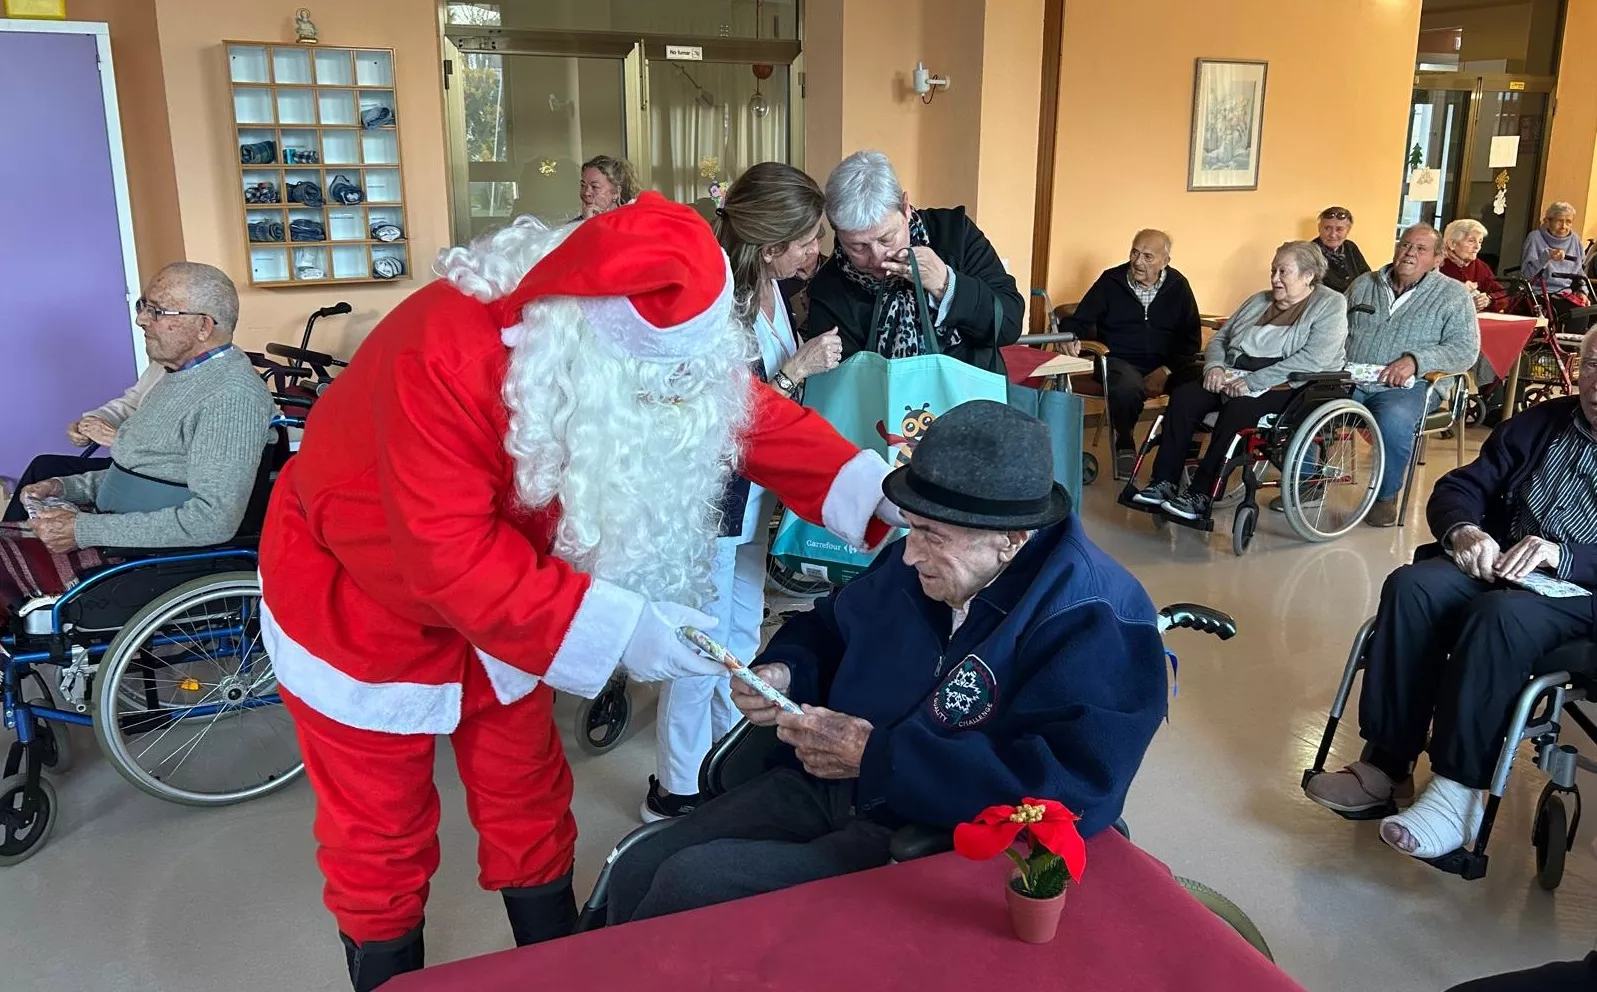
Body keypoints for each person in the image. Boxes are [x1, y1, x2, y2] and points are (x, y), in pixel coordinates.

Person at [257, 194, 904, 991]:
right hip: (356, 595)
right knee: (378, 829)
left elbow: (735, 407)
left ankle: (558, 965)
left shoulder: (627, 338)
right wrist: (623, 627)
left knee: (526, 790)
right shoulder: (443, 354)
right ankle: (389, 977)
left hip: (514, 599)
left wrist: (875, 491)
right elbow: (447, 555)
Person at [604, 400, 1168, 924]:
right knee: (638, 866)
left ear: (1011, 540)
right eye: (912, 526)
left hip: (932, 829)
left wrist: (878, 757)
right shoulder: (917, 563)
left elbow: (1074, 791)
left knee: (690, 884)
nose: (910, 551)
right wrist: (786, 670)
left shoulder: (1094, 616)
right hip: (829, 781)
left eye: (931, 535)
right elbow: (827, 628)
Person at [1303, 328, 1597, 861]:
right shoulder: (1544, 422)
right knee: (1412, 587)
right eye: (1594, 365)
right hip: (1505, 562)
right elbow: (1462, 485)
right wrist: (1463, 529)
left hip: (1581, 591)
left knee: (1499, 617)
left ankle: (1457, 791)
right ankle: (1387, 763)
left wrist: (1564, 555)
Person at [645, 162, 844, 821]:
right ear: (768, 246)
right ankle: (675, 789)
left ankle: (725, 764)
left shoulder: (769, 290)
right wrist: (795, 371)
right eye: (807, 240)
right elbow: (724, 418)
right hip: (711, 502)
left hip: (752, 501)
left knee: (740, 636)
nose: (816, 251)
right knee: (699, 645)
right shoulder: (716, 303)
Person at [0, 262, 271, 609]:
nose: (142, 319)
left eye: (157, 311)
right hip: (116, 530)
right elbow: (151, 471)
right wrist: (67, 488)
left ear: (203, 326)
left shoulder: (231, 396)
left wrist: (84, 531)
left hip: (141, 558)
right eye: (143, 306)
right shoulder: (178, 375)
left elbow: (212, 521)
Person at [1130, 241, 1348, 521]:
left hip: (1296, 383)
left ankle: (1202, 493)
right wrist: (1215, 367)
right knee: (1186, 396)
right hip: (1237, 373)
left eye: (1284, 272)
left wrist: (1256, 381)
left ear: (1308, 276)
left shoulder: (1330, 304)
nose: (1275, 278)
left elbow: (1313, 359)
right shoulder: (1260, 300)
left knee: (1239, 408)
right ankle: (1164, 482)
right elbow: (1221, 338)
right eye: (1273, 270)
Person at [805, 150, 1023, 375]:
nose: (878, 258)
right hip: (881, 409)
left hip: (971, 401)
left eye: (887, 238)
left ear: (905, 207)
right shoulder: (828, 289)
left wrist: (946, 284)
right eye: (858, 247)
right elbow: (841, 386)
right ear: (838, 234)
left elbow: (1008, 325)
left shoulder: (954, 234)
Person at [1344, 224, 1480, 527]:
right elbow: (1336, 328)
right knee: (1303, 399)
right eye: (1405, 245)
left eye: (1420, 249)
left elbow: (1465, 348)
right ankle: (1305, 479)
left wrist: (1416, 361)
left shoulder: (1453, 295)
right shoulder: (1364, 284)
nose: (1409, 253)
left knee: (1393, 419)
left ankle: (1384, 497)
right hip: (1351, 378)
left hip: (1411, 386)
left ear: (1437, 259)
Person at [1060, 230, 1204, 477]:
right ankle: (1124, 441)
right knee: (1127, 385)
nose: (1138, 262)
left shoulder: (1178, 286)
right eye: (1135, 252)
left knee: (1203, 379)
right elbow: (1079, 320)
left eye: (1148, 257)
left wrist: (1166, 370)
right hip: (1119, 360)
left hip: (1166, 364)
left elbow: (1190, 340)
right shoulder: (1111, 281)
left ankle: (1183, 446)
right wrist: (1070, 336)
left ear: (1165, 261)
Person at [2, 363, 165, 523]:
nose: (148, 336)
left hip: (157, 469)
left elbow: (173, 456)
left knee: (47, 471)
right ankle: (9, 538)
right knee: (44, 466)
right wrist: (91, 423)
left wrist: (118, 440)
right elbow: (131, 403)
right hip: (130, 459)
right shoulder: (163, 365)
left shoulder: (187, 386)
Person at [1521, 201, 1591, 333]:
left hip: (1566, 292)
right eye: (1559, 221)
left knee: (1586, 310)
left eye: (1568, 222)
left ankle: (1572, 350)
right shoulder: (1535, 238)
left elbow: (1579, 271)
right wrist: (1546, 257)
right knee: (1566, 311)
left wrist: (1582, 290)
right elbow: (1526, 275)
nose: (1564, 226)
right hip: (1539, 292)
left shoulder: (1575, 239)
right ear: (1548, 221)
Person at [1439, 219, 1507, 314]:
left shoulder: (1480, 266)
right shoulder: (1436, 264)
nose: (1477, 247)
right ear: (1452, 244)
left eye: (1480, 241)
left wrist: (1489, 300)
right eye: (1471, 241)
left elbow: (1503, 294)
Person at [1313, 206, 1371, 294]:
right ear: (1319, 228)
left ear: (1348, 231)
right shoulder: (1309, 252)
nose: (1332, 235)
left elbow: (1367, 277)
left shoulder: (1350, 247)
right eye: (1327, 228)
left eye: (1339, 229)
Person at [578, 154, 638, 219]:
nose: (586, 193)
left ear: (616, 192)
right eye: (583, 185)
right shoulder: (572, 226)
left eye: (594, 187)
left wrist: (588, 224)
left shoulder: (629, 222)